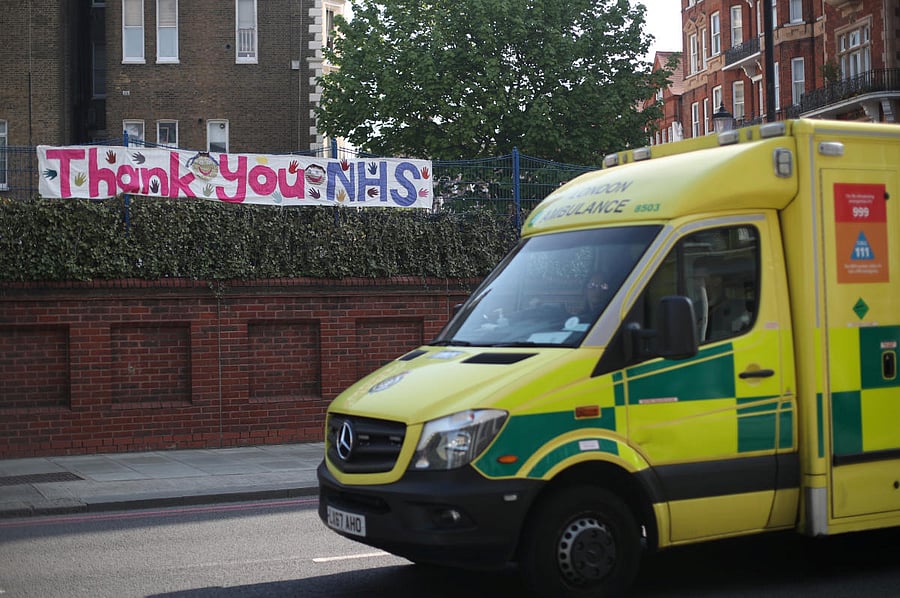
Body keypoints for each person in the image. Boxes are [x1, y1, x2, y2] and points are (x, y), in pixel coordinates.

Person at [693, 257, 751, 341]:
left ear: (717, 280)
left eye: (699, 279)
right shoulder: (693, 310)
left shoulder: (738, 311)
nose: (695, 284)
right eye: (694, 279)